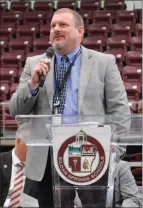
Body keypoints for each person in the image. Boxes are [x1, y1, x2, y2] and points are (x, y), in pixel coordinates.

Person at [9, 8, 131, 208]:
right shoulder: (34, 64)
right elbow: (16, 111)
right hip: (47, 157)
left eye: (63, 25)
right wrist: (32, 84)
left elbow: (119, 110)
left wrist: (116, 149)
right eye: (53, 26)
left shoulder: (103, 63)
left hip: (91, 153)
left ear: (80, 31)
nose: (56, 29)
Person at [0, 123, 38, 208]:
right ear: (18, 141)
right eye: (30, 144)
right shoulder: (1, 160)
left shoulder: (38, 169)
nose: (34, 149)